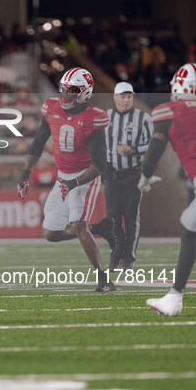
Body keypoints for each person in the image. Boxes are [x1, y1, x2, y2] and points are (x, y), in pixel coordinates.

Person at [17, 67, 115, 292]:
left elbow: (100, 166)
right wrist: (25, 173)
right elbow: (38, 144)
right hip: (62, 176)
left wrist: (73, 184)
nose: (65, 95)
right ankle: (100, 228)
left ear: (85, 92)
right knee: (51, 234)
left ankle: (103, 279)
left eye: (72, 91)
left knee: (79, 226)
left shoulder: (95, 117)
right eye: (63, 89)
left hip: (85, 177)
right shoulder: (51, 107)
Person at [140, 63, 196, 316]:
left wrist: (144, 176)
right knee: (189, 222)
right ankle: (174, 296)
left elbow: (155, 149)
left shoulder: (169, 110)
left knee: (189, 224)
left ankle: (174, 297)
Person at [90, 82, 153, 270]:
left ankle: (129, 258)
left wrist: (132, 150)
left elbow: (152, 147)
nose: (126, 100)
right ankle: (117, 252)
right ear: (115, 97)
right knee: (112, 217)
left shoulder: (143, 118)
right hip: (112, 174)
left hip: (134, 173)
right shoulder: (105, 117)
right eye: (123, 96)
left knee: (131, 216)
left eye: (129, 97)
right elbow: (97, 144)